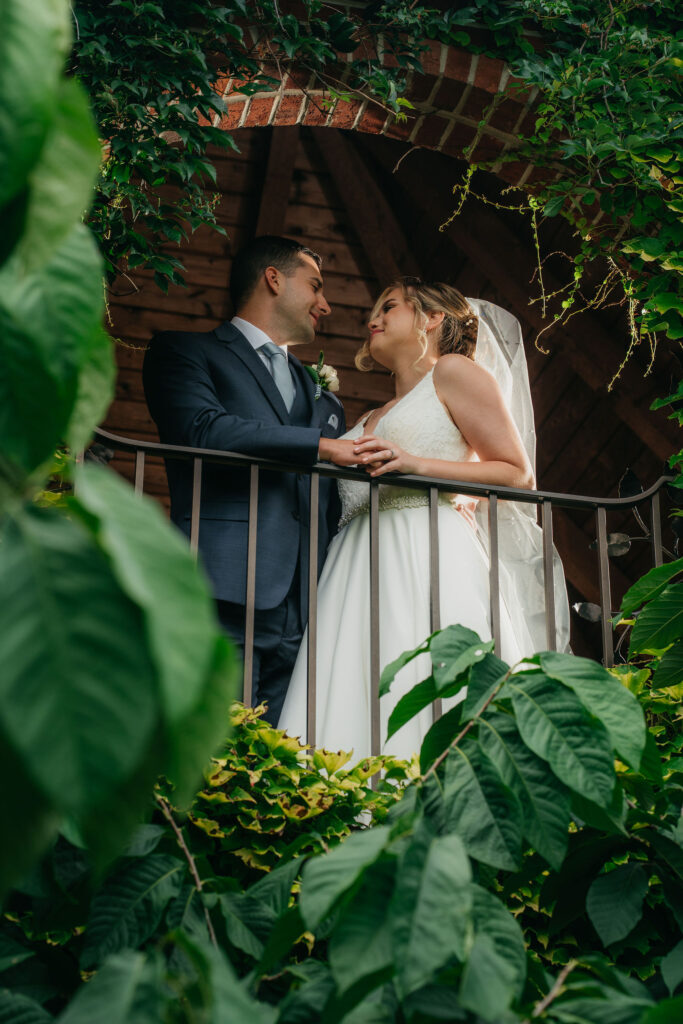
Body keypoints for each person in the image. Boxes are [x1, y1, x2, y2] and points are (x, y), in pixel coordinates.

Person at [278, 278, 569, 759]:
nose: (373, 318)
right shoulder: (372, 413)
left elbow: (518, 473)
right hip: (352, 570)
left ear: (432, 318)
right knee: (353, 694)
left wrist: (416, 465)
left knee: (430, 692)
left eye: (389, 307)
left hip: (426, 556)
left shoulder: (453, 372)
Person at [143, 236, 360, 724]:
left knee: (282, 772)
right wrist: (323, 447)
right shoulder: (185, 352)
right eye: (316, 286)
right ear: (274, 279)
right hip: (222, 588)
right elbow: (202, 429)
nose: (325, 305)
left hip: (305, 610)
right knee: (208, 754)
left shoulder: (323, 396)